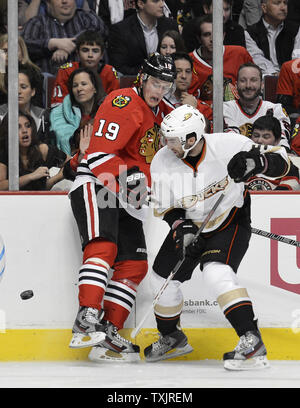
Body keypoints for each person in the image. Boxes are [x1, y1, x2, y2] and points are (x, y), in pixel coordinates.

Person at [143, 103, 290, 370]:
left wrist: (257, 162)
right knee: (160, 279)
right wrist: (181, 228)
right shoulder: (163, 160)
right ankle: (172, 337)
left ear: (192, 138)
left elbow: (284, 163)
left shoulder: (230, 144)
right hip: (191, 226)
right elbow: (167, 206)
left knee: (215, 272)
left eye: (174, 140)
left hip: (230, 220)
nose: (168, 145)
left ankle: (251, 340)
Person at [68, 53, 177, 362]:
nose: (159, 90)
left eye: (166, 85)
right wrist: (132, 181)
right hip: (96, 184)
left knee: (134, 265)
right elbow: (99, 156)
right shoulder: (123, 102)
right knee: (103, 247)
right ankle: (85, 317)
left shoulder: (163, 113)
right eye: (155, 82)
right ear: (142, 77)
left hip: (125, 196)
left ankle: (107, 332)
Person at [22, 0, 108, 75]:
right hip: (48, 85)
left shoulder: (86, 17)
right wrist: (51, 43)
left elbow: (100, 30)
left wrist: (68, 46)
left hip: (89, 83)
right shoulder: (37, 22)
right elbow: (24, 45)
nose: (64, 1)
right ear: (48, 2)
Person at [223, 62, 291, 151]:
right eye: (243, 80)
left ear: (262, 84)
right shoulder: (226, 108)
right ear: (236, 85)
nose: (248, 85)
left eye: (253, 80)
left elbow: (282, 144)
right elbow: (231, 141)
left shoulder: (276, 109)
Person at [188, 14, 253, 106]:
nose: (212, 39)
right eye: (207, 35)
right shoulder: (189, 62)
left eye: (216, 33)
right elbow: (188, 99)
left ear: (223, 35)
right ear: (199, 38)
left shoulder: (239, 53)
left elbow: (255, 85)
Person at [0, 111, 70, 191]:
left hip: (41, 201)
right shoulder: (3, 152)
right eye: (18, 127)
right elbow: (1, 186)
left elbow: (70, 163)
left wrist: (53, 181)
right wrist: (31, 176)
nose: (24, 130)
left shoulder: (42, 150)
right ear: (8, 131)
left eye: (28, 126)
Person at [107, 0, 178, 76]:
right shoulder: (121, 30)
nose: (162, 4)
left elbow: (179, 58)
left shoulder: (170, 25)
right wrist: (150, 73)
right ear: (141, 4)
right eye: (156, 1)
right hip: (133, 82)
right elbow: (119, 67)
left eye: (162, 0)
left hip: (167, 82)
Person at [51, 30, 119, 108]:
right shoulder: (66, 70)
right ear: (77, 53)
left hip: (101, 116)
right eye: (85, 50)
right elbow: (58, 104)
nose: (90, 55)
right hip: (71, 115)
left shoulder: (109, 72)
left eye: (95, 51)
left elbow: (114, 105)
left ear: (102, 55)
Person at [50, 67, 106, 155]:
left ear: (94, 88)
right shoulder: (63, 114)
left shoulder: (106, 111)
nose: (79, 89)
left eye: (84, 84)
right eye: (75, 85)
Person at [0, 63, 53, 144]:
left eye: (23, 87)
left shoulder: (43, 116)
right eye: (14, 87)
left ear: (32, 91)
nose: (18, 92)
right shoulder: (0, 114)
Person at [245, 0, 300, 76]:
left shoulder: (295, 29)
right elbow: (257, 58)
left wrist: (285, 74)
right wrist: (274, 74)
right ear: (264, 8)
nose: (283, 8)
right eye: (277, 3)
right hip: (262, 78)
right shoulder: (250, 33)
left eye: (285, 3)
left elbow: (297, 58)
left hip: (290, 77)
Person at [246, 114, 300, 190]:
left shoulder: (285, 162)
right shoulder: (242, 160)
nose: (259, 141)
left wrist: (271, 197)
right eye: (256, 136)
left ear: (277, 140)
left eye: (266, 137)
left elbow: (292, 186)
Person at [162, 52, 212, 121]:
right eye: (178, 71)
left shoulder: (203, 108)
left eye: (188, 71)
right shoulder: (159, 104)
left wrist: (194, 110)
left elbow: (212, 130)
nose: (184, 76)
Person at [0, 34, 44, 107]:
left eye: (14, 50)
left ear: (23, 53)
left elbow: (37, 105)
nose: (9, 55)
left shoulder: (34, 73)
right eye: (5, 51)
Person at [18, 0, 91, 26]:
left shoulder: (79, 2)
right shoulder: (27, 2)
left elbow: (89, 22)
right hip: (41, 43)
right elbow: (26, 24)